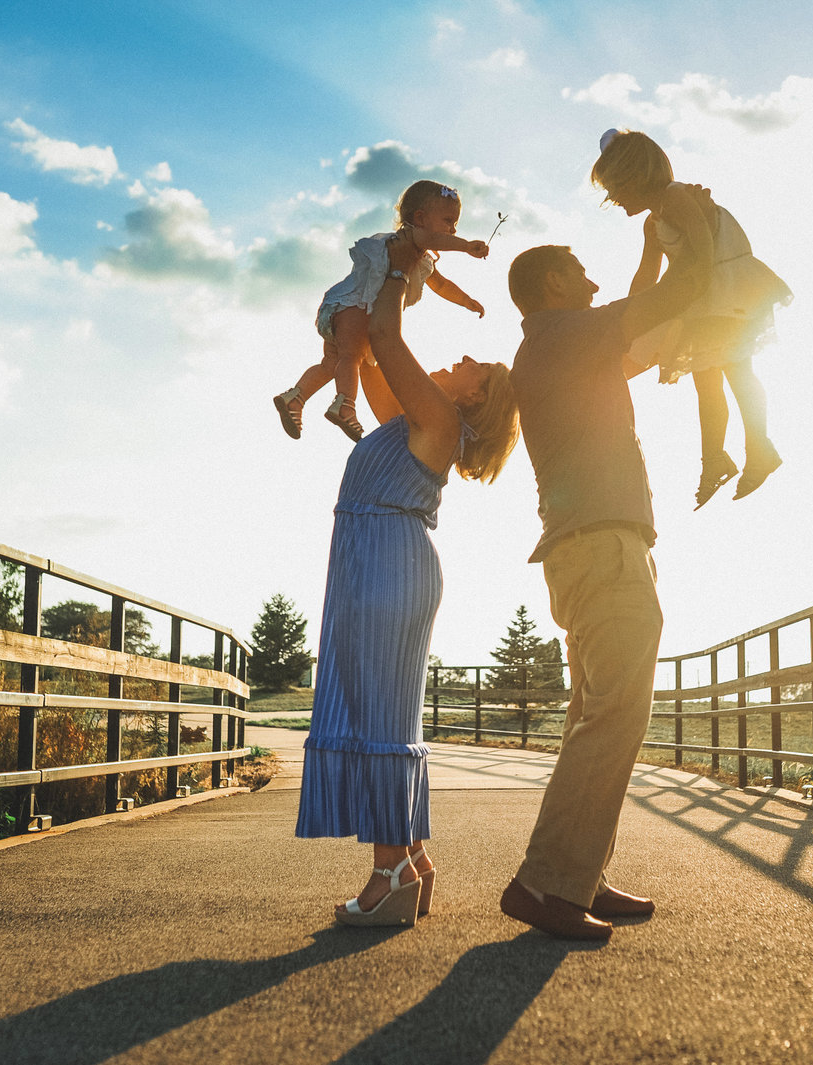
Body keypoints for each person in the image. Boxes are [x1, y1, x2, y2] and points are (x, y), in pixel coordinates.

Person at [498, 182, 713, 941]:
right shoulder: (566, 335)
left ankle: (575, 872)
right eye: (579, 270)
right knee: (616, 715)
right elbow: (675, 297)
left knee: (596, 714)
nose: (592, 280)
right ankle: (547, 884)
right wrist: (679, 212)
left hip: (587, 549)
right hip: (604, 550)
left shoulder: (558, 345)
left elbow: (635, 310)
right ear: (554, 285)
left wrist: (649, 247)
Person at [294, 236, 521, 928]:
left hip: (387, 558)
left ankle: (389, 870)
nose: (456, 361)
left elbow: (391, 335)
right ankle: (410, 861)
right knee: (382, 711)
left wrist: (400, 262)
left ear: (475, 393)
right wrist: (377, 285)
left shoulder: (439, 419)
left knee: (382, 716)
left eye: (468, 364)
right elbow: (369, 356)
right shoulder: (418, 419)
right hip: (381, 555)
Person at [591, 128, 792, 506]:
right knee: (708, 381)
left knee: (737, 372)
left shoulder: (677, 198)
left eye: (615, 188)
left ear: (634, 178)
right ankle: (717, 458)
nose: (613, 199)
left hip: (723, 292)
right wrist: (628, 316)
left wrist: (676, 301)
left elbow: (702, 251)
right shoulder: (653, 222)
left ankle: (758, 447)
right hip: (702, 300)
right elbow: (645, 275)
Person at [273, 180, 490, 443]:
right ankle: (345, 406)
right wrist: (466, 246)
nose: (453, 230)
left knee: (332, 363)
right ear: (419, 218)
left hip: (342, 308)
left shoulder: (420, 258)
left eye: (455, 224)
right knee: (352, 356)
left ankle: (295, 398)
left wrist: (466, 300)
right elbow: (434, 239)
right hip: (357, 307)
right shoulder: (411, 237)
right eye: (448, 221)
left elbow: (441, 285)